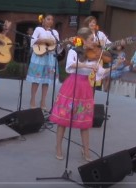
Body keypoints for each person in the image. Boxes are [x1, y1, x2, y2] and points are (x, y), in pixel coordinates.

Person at [49, 27, 98, 162]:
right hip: (73, 84)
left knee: (85, 121)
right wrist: (87, 66)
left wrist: (113, 66)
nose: (94, 42)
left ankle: (85, 149)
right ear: (83, 40)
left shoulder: (93, 53)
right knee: (63, 119)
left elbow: (98, 72)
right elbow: (69, 65)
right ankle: (58, 147)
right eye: (91, 40)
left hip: (85, 87)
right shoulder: (73, 50)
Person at [26, 14, 60, 110]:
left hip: (50, 57)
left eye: (52, 19)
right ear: (43, 20)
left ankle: (43, 100)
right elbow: (32, 42)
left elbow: (58, 46)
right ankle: (32, 99)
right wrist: (42, 40)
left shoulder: (54, 32)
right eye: (48, 19)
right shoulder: (38, 29)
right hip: (39, 56)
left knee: (46, 80)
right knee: (36, 80)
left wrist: (61, 44)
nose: (50, 21)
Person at [83, 16, 112, 90]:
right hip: (87, 59)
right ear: (87, 23)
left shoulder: (100, 34)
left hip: (98, 60)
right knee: (86, 83)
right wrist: (95, 44)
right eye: (90, 22)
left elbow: (108, 46)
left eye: (94, 22)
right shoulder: (83, 33)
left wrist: (104, 46)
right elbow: (80, 45)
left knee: (96, 84)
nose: (92, 24)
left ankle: (91, 100)